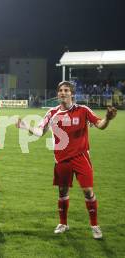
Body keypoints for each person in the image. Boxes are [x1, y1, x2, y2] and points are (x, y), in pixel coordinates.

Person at [16, 81, 117, 239]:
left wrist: (108, 119)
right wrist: (26, 126)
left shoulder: (83, 110)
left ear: (72, 94)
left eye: (66, 90)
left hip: (81, 157)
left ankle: (95, 225)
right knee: (62, 191)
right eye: (60, 90)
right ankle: (63, 223)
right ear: (58, 94)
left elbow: (100, 124)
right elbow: (40, 131)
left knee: (88, 191)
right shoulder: (52, 113)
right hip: (62, 159)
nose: (63, 93)